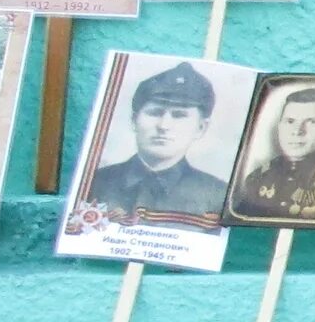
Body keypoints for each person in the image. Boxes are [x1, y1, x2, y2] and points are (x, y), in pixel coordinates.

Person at [87, 61, 229, 222]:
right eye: (154, 112)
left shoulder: (219, 196)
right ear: (134, 120)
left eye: (179, 115)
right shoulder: (94, 183)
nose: (164, 126)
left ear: (200, 128)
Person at [233, 85, 315, 226]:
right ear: (280, 124)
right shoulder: (257, 177)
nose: (297, 131)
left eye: (311, 122)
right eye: (290, 121)